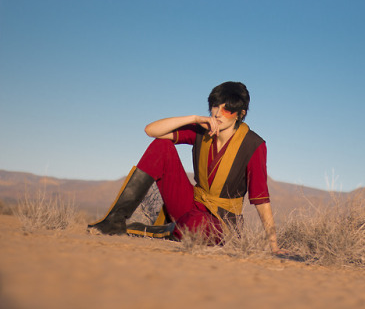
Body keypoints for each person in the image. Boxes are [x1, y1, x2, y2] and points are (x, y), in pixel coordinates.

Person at [88, 81, 284, 254]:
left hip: (220, 220)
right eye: (215, 107)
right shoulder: (202, 130)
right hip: (189, 202)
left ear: (241, 114)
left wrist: (273, 244)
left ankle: (162, 230)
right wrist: (194, 119)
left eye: (227, 110)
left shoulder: (254, 145)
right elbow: (151, 130)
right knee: (161, 145)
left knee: (197, 223)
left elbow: (261, 198)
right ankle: (114, 220)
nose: (217, 114)